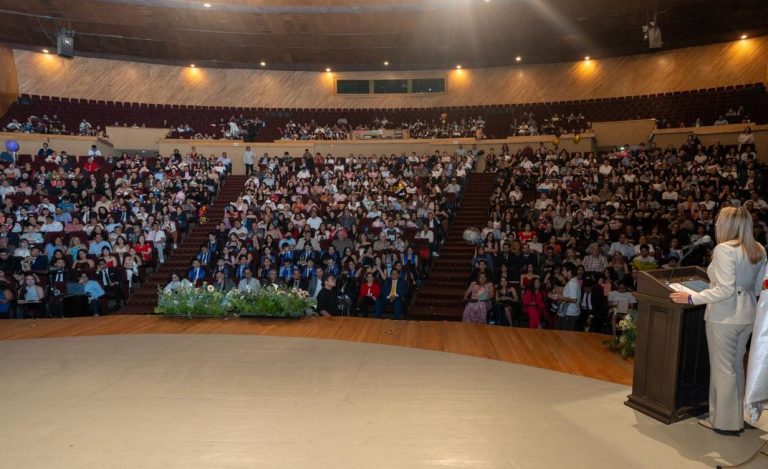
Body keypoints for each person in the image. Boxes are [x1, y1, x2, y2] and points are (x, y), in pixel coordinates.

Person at [670, 207, 767, 435]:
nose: (716, 225)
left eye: (719, 222)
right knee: (735, 368)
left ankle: (723, 422)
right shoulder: (758, 249)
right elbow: (755, 288)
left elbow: (724, 290)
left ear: (728, 225)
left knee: (723, 370)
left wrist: (692, 297)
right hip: (747, 316)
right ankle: (736, 418)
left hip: (724, 317)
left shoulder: (724, 249)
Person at [556, 264, 581, 331]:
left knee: (566, 337)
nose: (562, 272)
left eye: (564, 270)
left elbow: (574, 300)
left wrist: (560, 297)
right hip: (569, 313)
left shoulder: (572, 283)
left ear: (569, 272)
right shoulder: (574, 281)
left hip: (569, 314)